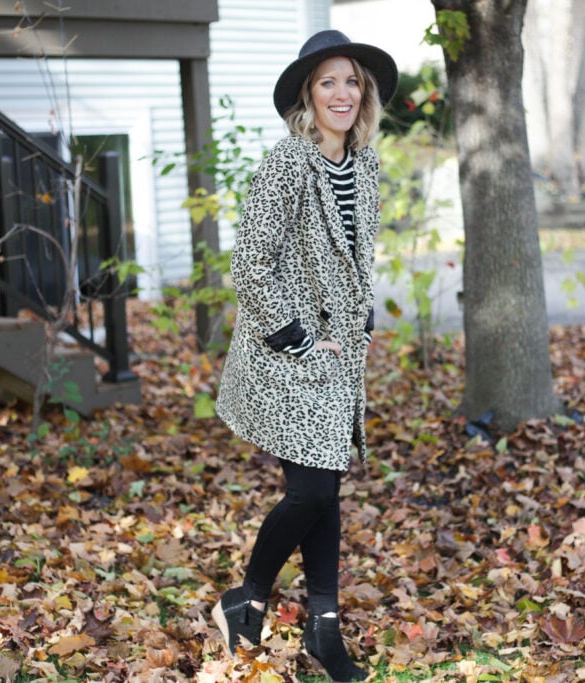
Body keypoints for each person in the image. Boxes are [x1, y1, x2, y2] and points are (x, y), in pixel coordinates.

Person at [212, 29, 397, 683]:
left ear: (363, 93)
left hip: (341, 353)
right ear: (307, 96)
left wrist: (362, 315)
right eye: (328, 82)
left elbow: (354, 257)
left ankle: (323, 628)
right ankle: (248, 599)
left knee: (326, 492)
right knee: (313, 488)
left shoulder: (367, 164)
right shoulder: (288, 161)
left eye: (351, 81)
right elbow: (251, 264)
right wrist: (295, 335)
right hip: (286, 352)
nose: (342, 93)